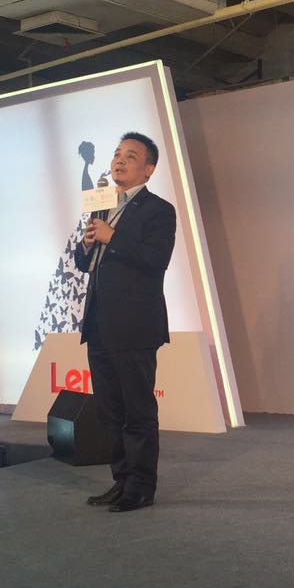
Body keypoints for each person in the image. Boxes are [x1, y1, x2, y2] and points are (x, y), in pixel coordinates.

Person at [74, 132, 176, 513]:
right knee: (110, 412)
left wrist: (112, 237)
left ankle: (142, 487)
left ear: (148, 169)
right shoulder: (103, 207)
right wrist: (88, 244)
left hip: (135, 325)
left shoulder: (158, 210)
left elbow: (155, 259)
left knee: (137, 411)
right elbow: (86, 263)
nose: (119, 160)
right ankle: (121, 481)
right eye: (117, 154)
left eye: (130, 156)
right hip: (99, 324)